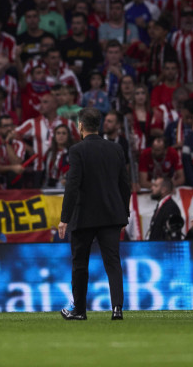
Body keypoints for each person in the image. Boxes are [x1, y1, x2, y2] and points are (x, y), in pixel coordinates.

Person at [58, 107, 131, 321]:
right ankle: (117, 308)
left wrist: (64, 218)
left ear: (80, 125)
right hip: (111, 215)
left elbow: (72, 186)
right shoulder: (116, 149)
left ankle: (79, 310)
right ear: (98, 126)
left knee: (80, 263)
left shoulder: (77, 150)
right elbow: (124, 184)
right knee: (113, 262)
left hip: (84, 217)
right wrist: (124, 213)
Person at [146, 176, 183, 241]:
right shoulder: (161, 205)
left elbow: (172, 236)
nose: (152, 188)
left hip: (163, 249)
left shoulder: (171, 208)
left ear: (163, 190)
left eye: (155, 186)